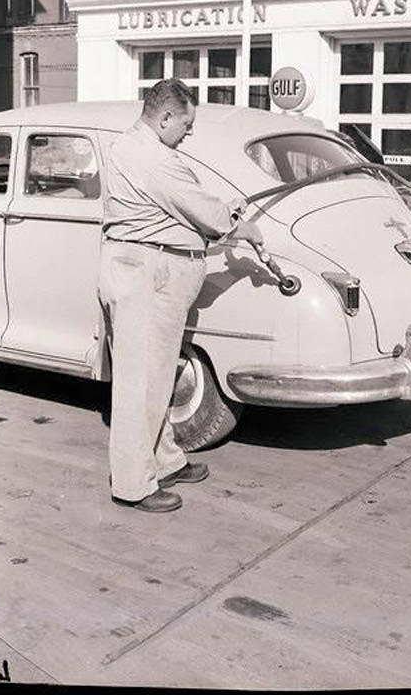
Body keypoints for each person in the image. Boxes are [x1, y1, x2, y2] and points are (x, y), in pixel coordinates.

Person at [98, 79, 263, 513]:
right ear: (165, 116)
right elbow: (201, 210)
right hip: (146, 276)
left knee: (156, 378)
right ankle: (133, 485)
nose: (189, 131)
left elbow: (183, 200)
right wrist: (238, 224)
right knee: (141, 385)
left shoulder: (146, 150)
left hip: (152, 275)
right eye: (185, 123)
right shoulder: (148, 155)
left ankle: (165, 460)